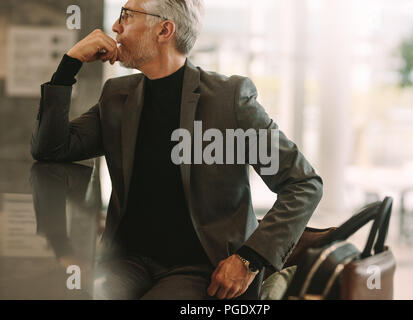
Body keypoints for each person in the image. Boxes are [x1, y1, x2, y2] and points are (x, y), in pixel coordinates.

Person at [31, 0, 323, 300]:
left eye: (127, 16)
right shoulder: (117, 96)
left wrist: (249, 259)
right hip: (125, 262)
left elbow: (303, 184)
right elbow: (52, 148)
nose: (116, 27)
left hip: (201, 268)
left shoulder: (229, 99)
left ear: (164, 30)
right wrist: (69, 64)